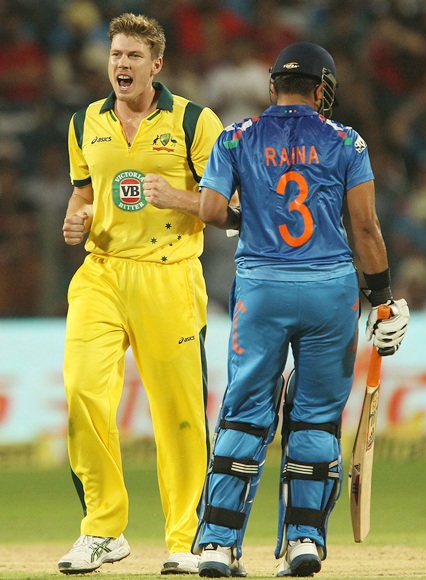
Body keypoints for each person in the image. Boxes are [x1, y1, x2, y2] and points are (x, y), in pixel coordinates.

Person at [190, 42, 410, 577]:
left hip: (261, 288)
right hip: (330, 292)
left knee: (243, 412)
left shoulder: (235, 136)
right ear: (322, 90)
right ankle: (305, 541)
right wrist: (382, 301)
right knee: (314, 417)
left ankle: (218, 543)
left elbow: (211, 210)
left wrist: (259, 218)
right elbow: (365, 229)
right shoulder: (346, 141)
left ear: (272, 88)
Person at [57, 12, 223, 575]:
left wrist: (178, 199)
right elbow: (83, 196)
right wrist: (75, 220)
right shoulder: (84, 123)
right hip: (101, 272)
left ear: (157, 64)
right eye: (115, 55)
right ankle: (104, 529)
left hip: (169, 274)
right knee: (82, 388)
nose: (121, 65)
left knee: (178, 413)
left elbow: (232, 209)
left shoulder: (195, 122)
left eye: (132, 56)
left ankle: (185, 540)